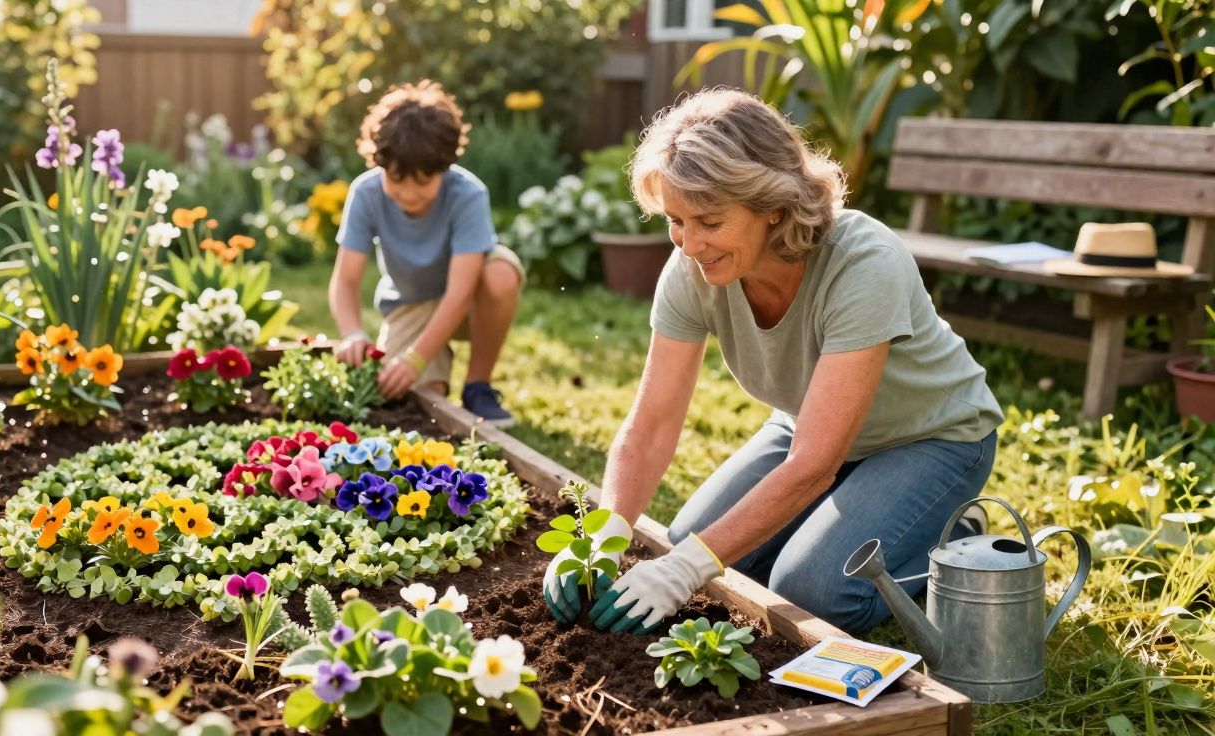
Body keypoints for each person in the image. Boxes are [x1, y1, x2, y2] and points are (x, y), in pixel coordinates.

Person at [543, 89, 1002, 635]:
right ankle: (847, 515)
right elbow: (652, 422)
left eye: (709, 222)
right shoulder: (692, 267)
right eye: (676, 220)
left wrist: (684, 570)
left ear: (775, 207)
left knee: (812, 591)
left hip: (931, 438)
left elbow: (813, 463)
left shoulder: (863, 263)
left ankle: (948, 540)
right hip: (808, 429)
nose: (689, 244)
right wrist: (602, 532)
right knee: (696, 540)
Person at [330, 80, 523, 425]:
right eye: (397, 179)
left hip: (468, 302)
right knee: (415, 395)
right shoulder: (366, 193)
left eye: (422, 182)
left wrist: (416, 357)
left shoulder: (468, 194)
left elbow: (460, 293)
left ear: (444, 167)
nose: (408, 193)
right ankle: (438, 376)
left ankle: (478, 386)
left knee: (501, 272)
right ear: (378, 162)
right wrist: (353, 333)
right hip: (411, 302)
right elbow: (345, 281)